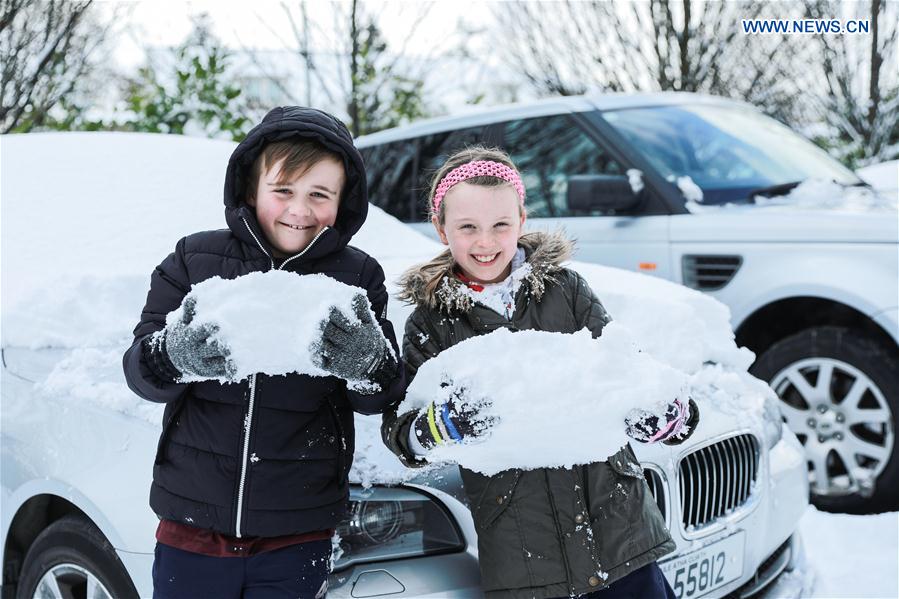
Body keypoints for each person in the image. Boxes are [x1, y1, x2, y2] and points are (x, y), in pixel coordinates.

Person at [382, 146, 698, 599]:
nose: (485, 242)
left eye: (501, 226)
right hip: (525, 552)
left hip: (618, 531)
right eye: (467, 227)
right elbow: (401, 431)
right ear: (440, 227)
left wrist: (667, 415)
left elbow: (628, 371)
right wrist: (440, 424)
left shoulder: (565, 291)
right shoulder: (432, 323)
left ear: (522, 221)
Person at [123, 106, 405, 599]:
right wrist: (173, 355)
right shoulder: (195, 259)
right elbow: (141, 373)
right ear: (252, 190)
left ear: (344, 203)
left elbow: (380, 394)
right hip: (192, 519)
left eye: (320, 195)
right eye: (284, 191)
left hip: (297, 529)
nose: (300, 210)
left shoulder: (357, 276)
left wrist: (368, 365)